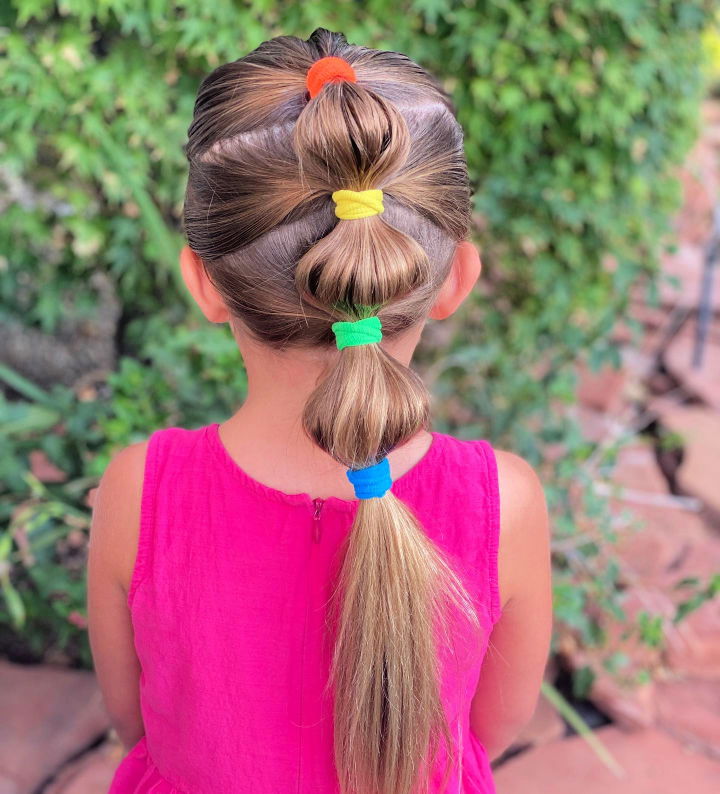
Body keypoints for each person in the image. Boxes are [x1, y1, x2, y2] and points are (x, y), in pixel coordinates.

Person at [87, 28, 552, 794]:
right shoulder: (506, 505)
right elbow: (492, 731)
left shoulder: (143, 493)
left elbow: (134, 721)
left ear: (201, 283)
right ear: (453, 280)